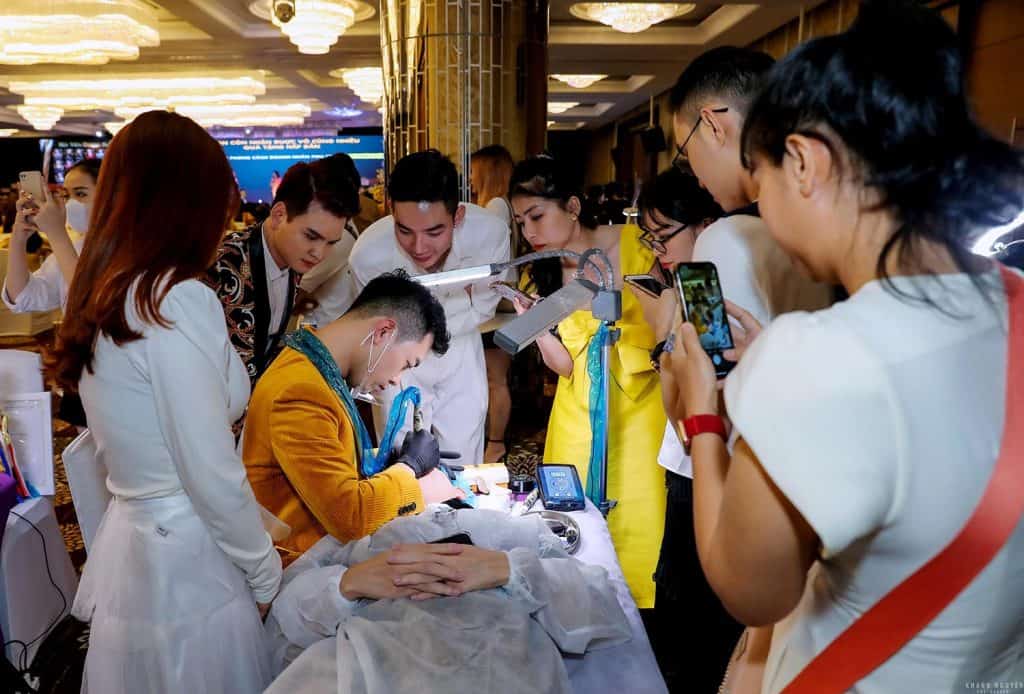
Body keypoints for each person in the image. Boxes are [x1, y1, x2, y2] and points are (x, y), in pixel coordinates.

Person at [665, 2, 1024, 692]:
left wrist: (703, 414)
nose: (765, 211)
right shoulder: (1010, 300)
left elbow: (752, 590)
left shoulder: (816, 356)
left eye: (762, 180)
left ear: (804, 162)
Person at [46, 110, 283, 693]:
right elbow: (205, 464)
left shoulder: (109, 290)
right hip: (188, 556)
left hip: (139, 544)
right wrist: (263, 569)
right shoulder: (170, 299)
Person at [509, 155, 666, 609]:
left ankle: (646, 621)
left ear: (573, 206)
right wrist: (537, 328)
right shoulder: (539, 273)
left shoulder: (636, 245)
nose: (529, 231)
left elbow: (666, 321)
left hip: (640, 410)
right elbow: (564, 366)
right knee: (578, 527)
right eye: (521, 222)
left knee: (643, 518)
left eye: (537, 215)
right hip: (577, 414)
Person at [262, 508, 631, 693]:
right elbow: (282, 625)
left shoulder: (499, 534)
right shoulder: (372, 548)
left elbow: (599, 603)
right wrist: (348, 585)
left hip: (495, 647)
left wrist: (507, 569)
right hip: (381, 643)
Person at [244, 271, 465, 558]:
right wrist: (410, 469)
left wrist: (388, 463)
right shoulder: (301, 391)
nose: (397, 380)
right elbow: (350, 516)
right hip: (300, 566)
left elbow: (327, 466)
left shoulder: (314, 369)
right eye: (406, 363)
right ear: (383, 332)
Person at [627, 167, 742, 693]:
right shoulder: (695, 284)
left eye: (664, 235)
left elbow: (686, 414)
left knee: (693, 620)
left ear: (706, 225)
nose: (658, 251)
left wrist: (662, 338)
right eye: (649, 238)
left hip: (704, 467)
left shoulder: (703, 291)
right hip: (697, 464)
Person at [323, 150, 510, 465]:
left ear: (458, 216)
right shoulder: (368, 255)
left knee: (464, 455)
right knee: (399, 456)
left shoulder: (489, 235)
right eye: (404, 231)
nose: (419, 247)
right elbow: (375, 324)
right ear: (391, 211)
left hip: (461, 348)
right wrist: (460, 301)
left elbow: (484, 307)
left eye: (434, 232)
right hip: (396, 357)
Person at [206, 153, 361, 390]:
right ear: (279, 215)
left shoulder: (293, 260)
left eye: (331, 243)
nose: (319, 253)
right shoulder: (222, 263)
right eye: (311, 236)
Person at [3, 158, 101, 313]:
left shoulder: (130, 250)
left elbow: (93, 305)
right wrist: (19, 238)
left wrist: (57, 234)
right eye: (66, 196)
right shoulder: (76, 247)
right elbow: (22, 297)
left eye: (81, 193)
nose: (70, 204)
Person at [470, 144, 517, 463]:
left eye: (475, 171)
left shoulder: (496, 206)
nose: (471, 178)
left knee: (494, 379)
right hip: (500, 301)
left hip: (497, 303)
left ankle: (496, 443)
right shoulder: (501, 205)